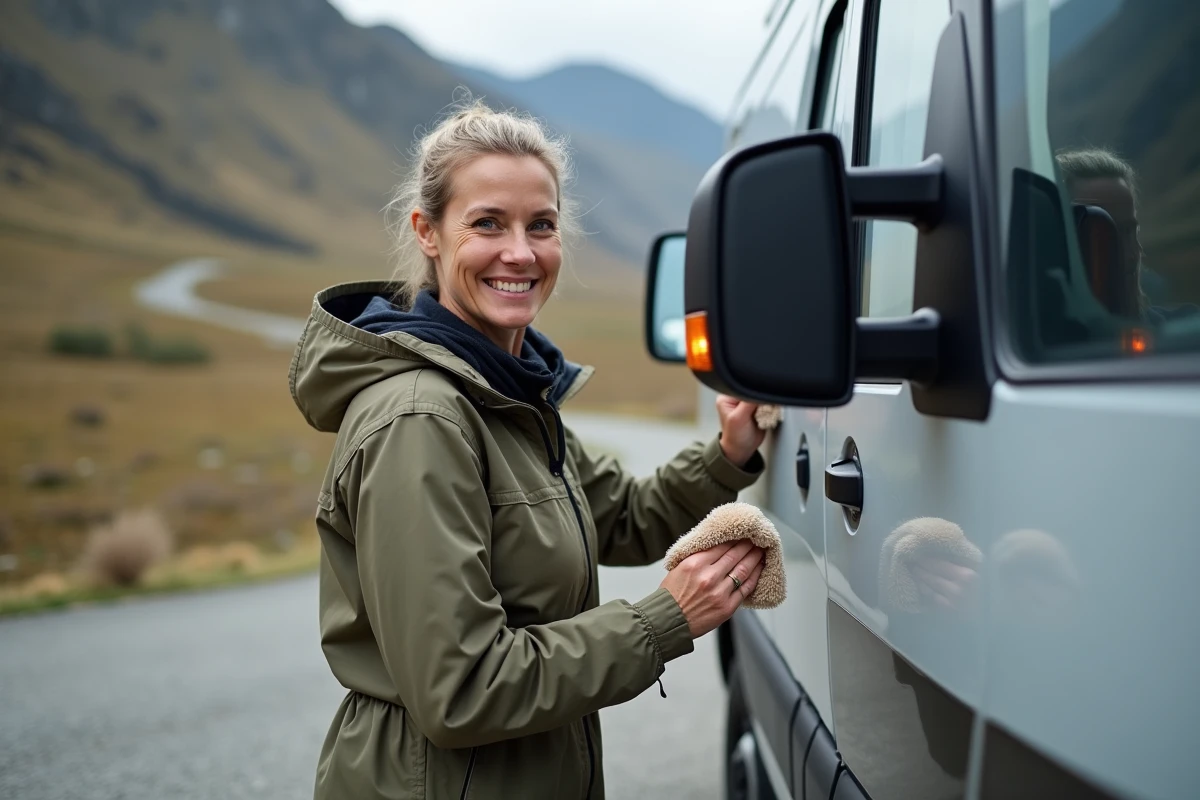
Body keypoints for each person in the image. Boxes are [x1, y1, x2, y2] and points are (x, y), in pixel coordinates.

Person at [288, 100, 768, 799]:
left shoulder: (509, 396)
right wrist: (664, 619)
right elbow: (464, 687)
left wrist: (729, 452)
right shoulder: (422, 420)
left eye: (540, 225)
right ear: (428, 232)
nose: (520, 252)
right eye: (487, 223)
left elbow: (623, 517)